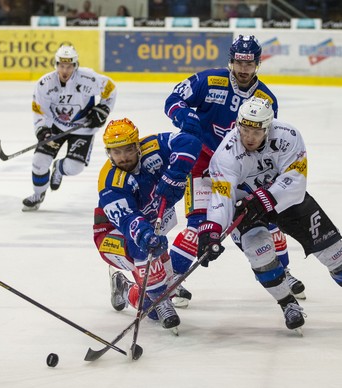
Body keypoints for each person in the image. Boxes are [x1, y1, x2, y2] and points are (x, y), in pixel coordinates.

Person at [163, 35, 306, 307]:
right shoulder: (208, 81)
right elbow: (173, 99)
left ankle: (283, 272)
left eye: (249, 63)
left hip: (244, 168)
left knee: (268, 220)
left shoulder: (266, 98)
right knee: (197, 226)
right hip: (204, 164)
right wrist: (185, 116)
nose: (243, 69)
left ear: (257, 64)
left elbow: (268, 140)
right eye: (239, 62)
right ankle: (169, 282)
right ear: (231, 61)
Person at [197, 97, 342, 332]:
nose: (249, 137)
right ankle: (288, 304)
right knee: (260, 254)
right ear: (237, 125)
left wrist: (265, 198)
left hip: (285, 199)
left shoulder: (288, 136)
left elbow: (296, 181)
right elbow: (221, 197)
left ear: (268, 127)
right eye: (244, 130)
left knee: (335, 254)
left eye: (256, 131)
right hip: (247, 207)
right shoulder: (226, 154)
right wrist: (212, 230)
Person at [93, 118, 201, 332]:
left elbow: (190, 142)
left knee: (161, 258)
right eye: (116, 152)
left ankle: (164, 290)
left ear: (137, 145)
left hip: (151, 223)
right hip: (112, 236)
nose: (123, 157)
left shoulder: (152, 147)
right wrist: (144, 234)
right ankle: (128, 290)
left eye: (127, 150)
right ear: (108, 153)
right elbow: (127, 221)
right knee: (151, 307)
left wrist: (175, 174)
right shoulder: (110, 181)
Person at [23, 44, 117, 211]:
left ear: (75, 65)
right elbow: (39, 109)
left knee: (74, 168)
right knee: (39, 162)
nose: (65, 70)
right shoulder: (45, 83)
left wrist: (103, 109)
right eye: (61, 65)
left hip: (83, 127)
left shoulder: (88, 78)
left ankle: (59, 168)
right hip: (55, 126)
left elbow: (111, 88)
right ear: (56, 64)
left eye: (69, 66)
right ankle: (38, 195)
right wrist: (42, 130)